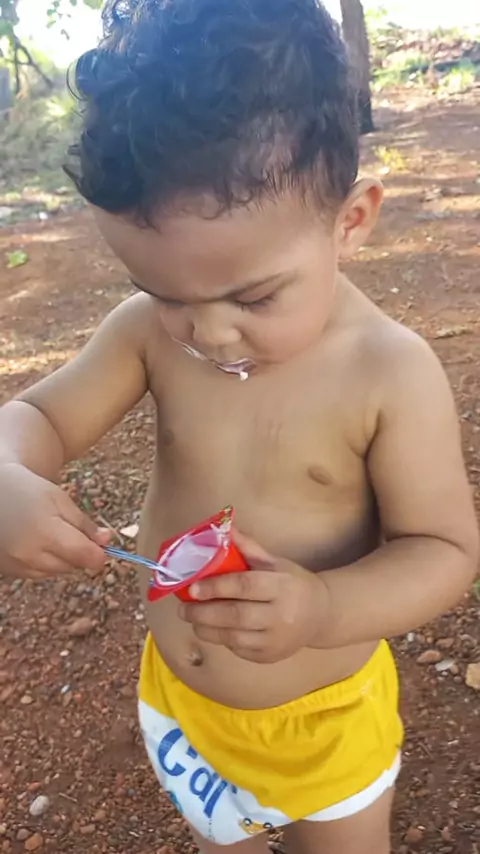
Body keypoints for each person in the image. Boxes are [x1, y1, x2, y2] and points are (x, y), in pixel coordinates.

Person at [0, 1, 477, 852]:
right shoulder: (147, 335)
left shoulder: (388, 373)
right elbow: (38, 417)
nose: (209, 333)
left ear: (351, 220)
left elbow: (443, 551)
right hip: (186, 709)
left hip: (324, 723)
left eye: (254, 297)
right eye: (166, 294)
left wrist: (323, 605)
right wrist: (7, 475)